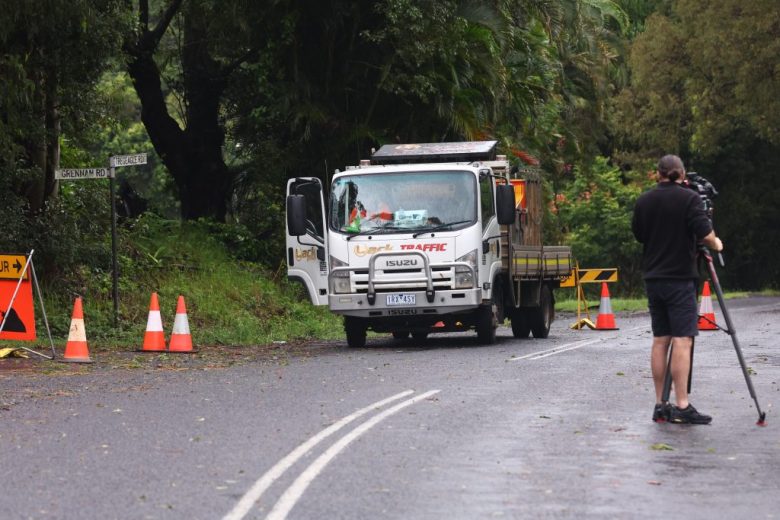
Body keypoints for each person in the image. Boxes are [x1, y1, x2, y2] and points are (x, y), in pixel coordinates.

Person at [632, 154, 723, 425]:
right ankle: (682, 406)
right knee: (683, 339)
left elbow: (639, 234)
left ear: (657, 174)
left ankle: (661, 403)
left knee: (661, 339)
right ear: (682, 175)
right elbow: (704, 233)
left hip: (654, 278)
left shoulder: (644, 201)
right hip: (680, 279)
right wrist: (717, 244)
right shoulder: (690, 199)